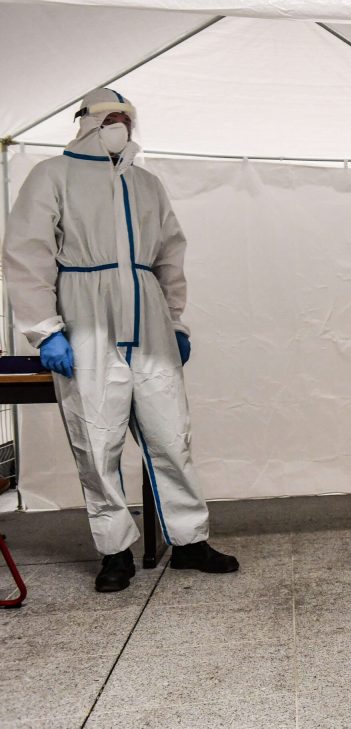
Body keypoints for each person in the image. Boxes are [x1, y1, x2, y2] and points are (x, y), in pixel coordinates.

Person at [3, 88, 238, 592]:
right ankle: (114, 552)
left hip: (148, 318)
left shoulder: (146, 182)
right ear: (85, 121)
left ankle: (189, 541)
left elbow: (170, 253)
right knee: (96, 438)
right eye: (109, 118)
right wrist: (46, 329)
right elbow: (27, 252)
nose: (119, 126)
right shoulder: (53, 175)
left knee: (171, 434)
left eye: (125, 118)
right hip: (85, 314)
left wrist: (175, 322)